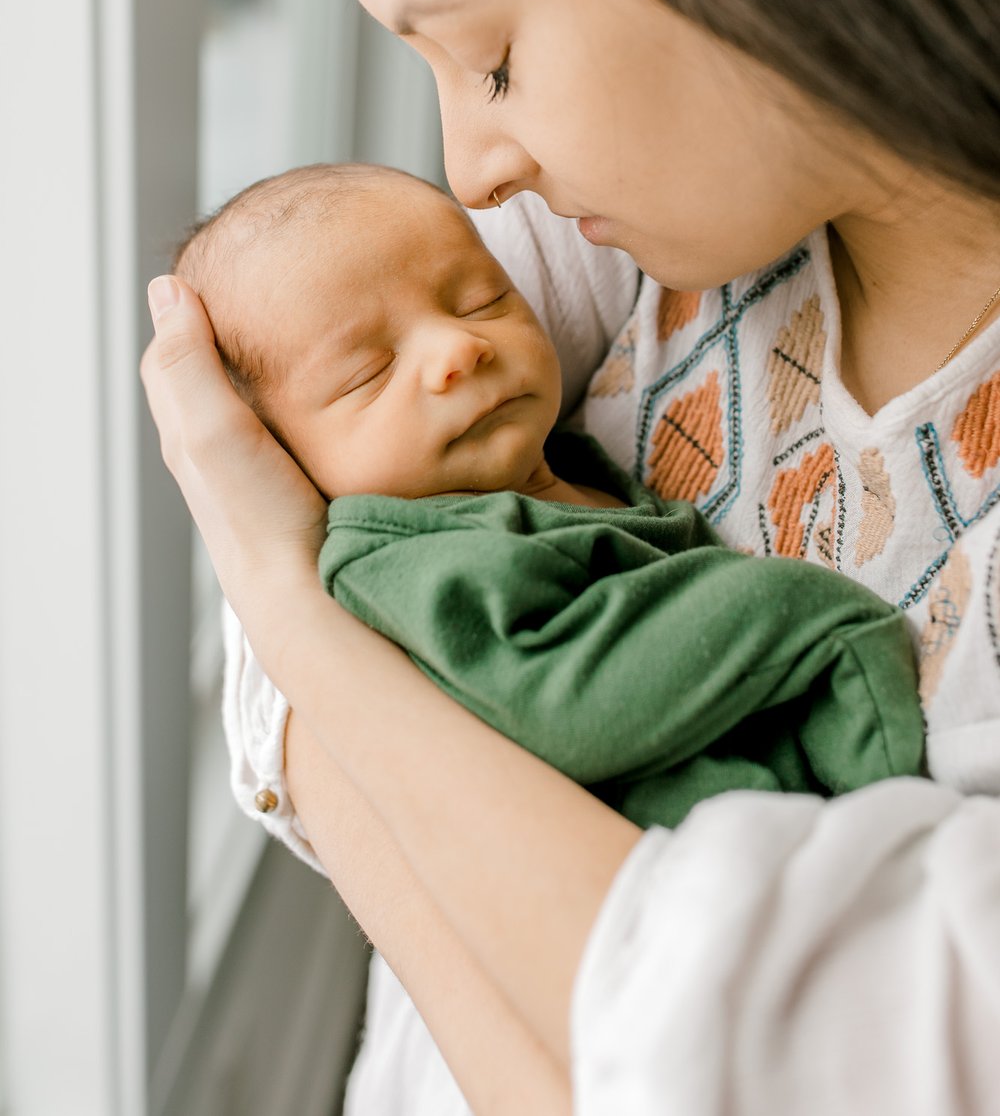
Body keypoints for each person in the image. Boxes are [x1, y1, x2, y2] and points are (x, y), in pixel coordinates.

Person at [141, 0, 1000, 1112]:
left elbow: (846, 1064)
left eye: (487, 59)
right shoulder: (619, 235)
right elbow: (286, 680)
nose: (472, 170)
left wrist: (301, 615)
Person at [173, 159, 924, 838]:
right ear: (282, 456)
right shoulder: (413, 561)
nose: (457, 350)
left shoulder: (561, 462)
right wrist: (806, 618)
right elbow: (571, 707)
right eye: (368, 372)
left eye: (480, 300)